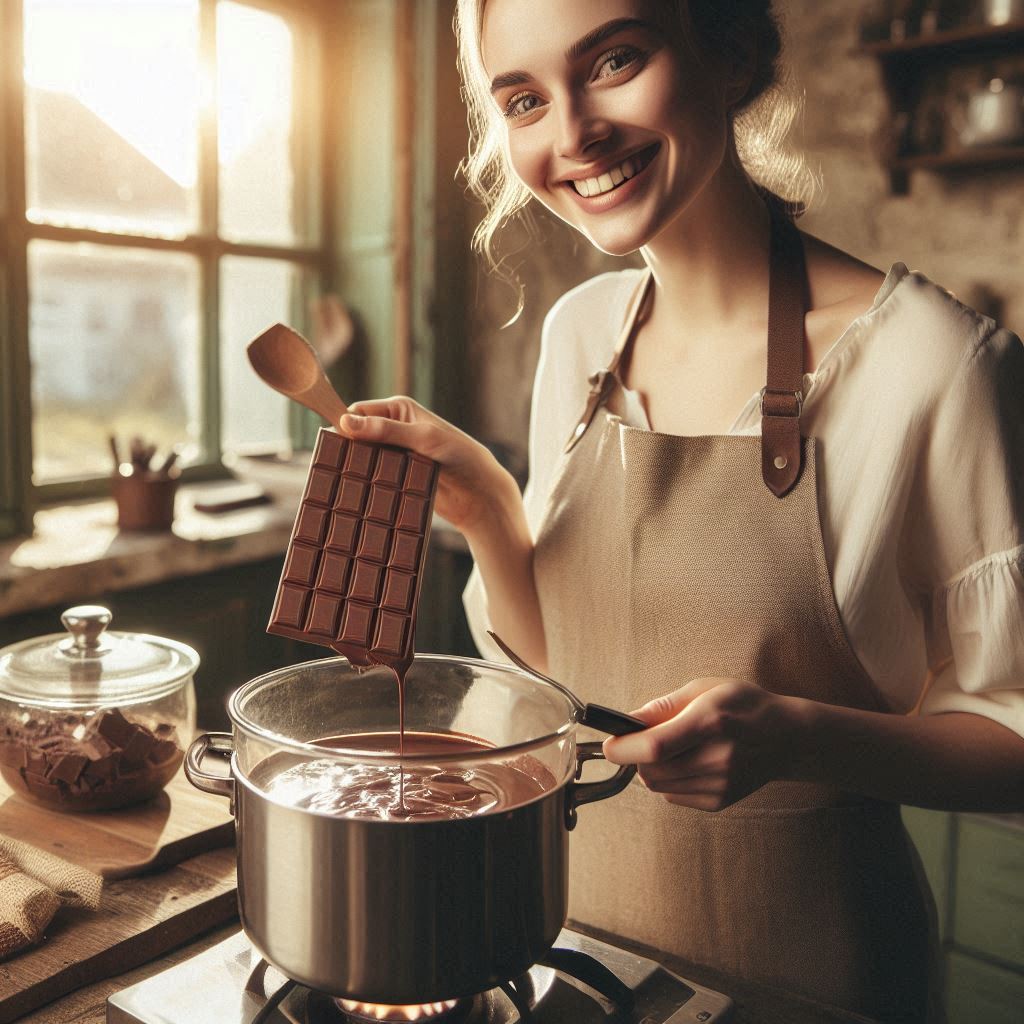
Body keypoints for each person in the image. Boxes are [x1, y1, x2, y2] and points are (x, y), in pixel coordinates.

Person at [339, 1, 1024, 1019]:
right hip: (575, 952)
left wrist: (796, 737)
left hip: (812, 980)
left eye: (614, 59)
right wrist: (488, 509)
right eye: (524, 99)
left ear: (730, 50)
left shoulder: (931, 362)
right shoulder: (578, 338)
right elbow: (570, 677)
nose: (572, 134)